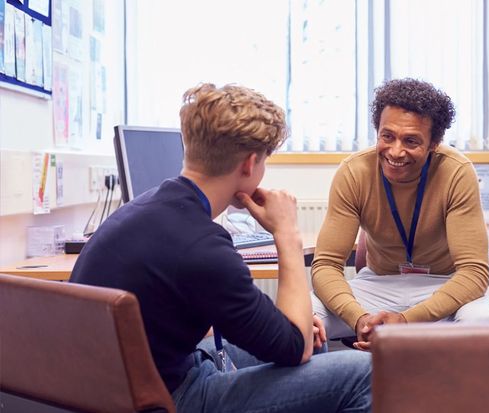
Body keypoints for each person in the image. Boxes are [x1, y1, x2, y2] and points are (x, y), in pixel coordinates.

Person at [71, 83, 371, 412]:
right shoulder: (203, 248)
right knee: (365, 372)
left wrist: (294, 333)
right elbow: (294, 347)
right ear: (249, 164)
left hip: (120, 386)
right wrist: (287, 232)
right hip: (170, 398)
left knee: (315, 341)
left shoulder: (143, 208)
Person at [311, 78, 489, 351]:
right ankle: (331, 390)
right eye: (387, 136)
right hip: (378, 285)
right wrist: (360, 319)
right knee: (303, 316)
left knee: (483, 323)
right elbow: (326, 265)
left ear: (434, 142)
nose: (396, 151)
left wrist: (407, 320)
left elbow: (473, 273)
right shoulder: (354, 172)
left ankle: (456, 395)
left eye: (411, 141)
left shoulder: (456, 172)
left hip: (443, 285)